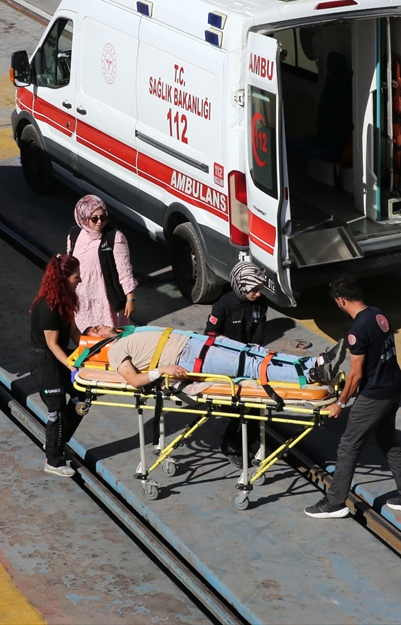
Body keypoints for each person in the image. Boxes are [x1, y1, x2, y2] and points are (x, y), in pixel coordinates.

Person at [305, 276, 401, 520]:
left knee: (348, 445)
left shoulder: (357, 330)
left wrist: (340, 403)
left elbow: (356, 374)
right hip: (394, 387)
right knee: (388, 441)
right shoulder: (378, 314)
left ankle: (335, 501)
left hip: (374, 394)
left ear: (340, 300)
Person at [101, 326, 343, 388]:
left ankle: (314, 363)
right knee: (249, 366)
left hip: (194, 343)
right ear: (96, 340)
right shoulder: (115, 350)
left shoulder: (128, 332)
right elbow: (134, 380)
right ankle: (312, 376)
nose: (102, 324)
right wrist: (163, 371)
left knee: (255, 352)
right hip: (186, 358)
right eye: (96, 328)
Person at [30, 254, 88, 477]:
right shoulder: (50, 306)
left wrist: (89, 350)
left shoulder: (67, 298)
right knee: (56, 410)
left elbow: (73, 332)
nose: (79, 280)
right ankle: (53, 460)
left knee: (81, 400)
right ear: (63, 279)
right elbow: (52, 344)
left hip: (60, 357)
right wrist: (73, 367)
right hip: (45, 360)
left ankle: (57, 443)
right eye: (76, 277)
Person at [205, 261, 270, 461]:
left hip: (249, 358)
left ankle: (248, 439)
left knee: (259, 402)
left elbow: (259, 332)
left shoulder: (260, 304)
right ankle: (230, 443)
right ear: (241, 286)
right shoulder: (223, 305)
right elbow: (210, 335)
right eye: (254, 290)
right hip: (225, 360)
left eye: (259, 289)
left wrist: (255, 350)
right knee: (237, 405)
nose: (258, 294)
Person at [66, 195, 137, 335]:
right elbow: (69, 267)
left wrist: (130, 298)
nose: (100, 222)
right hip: (82, 301)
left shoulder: (115, 238)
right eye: (94, 218)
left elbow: (125, 271)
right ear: (83, 217)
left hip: (105, 301)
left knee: (108, 340)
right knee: (85, 340)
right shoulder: (74, 235)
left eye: (103, 217)